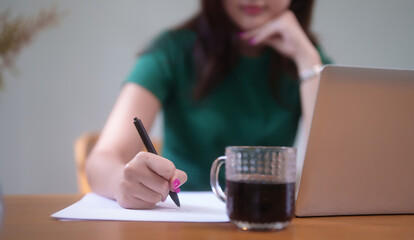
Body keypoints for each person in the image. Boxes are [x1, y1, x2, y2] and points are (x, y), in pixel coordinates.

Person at [86, 0, 332, 209]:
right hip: (180, 218)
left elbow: (332, 173)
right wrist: (122, 181)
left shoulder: (311, 62)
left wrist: (307, 60)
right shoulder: (173, 51)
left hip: (267, 218)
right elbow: (102, 159)